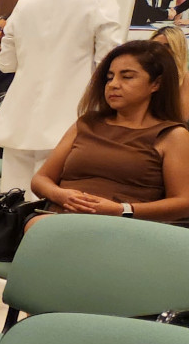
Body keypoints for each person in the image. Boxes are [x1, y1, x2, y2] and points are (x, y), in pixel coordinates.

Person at [0, 0, 124, 199]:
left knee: (12, 203)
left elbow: (6, 64)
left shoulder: (25, 3)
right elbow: (108, 63)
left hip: (19, 118)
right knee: (53, 205)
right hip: (71, 117)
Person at [29, 41, 189, 225]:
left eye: (127, 77)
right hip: (59, 216)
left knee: (44, 228)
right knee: (38, 226)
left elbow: (183, 203)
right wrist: (61, 195)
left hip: (122, 226)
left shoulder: (172, 135)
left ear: (156, 84)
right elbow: (41, 179)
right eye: (109, 77)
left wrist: (122, 210)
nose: (113, 84)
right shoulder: (87, 123)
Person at [150, 26, 189, 121]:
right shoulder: (143, 74)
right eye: (156, 45)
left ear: (177, 49)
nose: (160, 50)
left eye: (167, 46)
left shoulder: (185, 78)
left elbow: (182, 116)